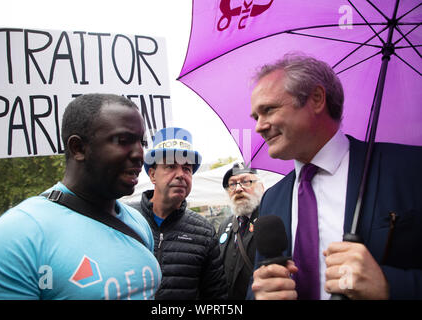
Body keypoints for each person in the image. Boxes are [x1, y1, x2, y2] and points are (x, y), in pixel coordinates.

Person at [248, 53, 422, 300]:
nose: (259, 126)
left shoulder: (410, 169)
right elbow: (258, 283)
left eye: (268, 110)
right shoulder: (271, 200)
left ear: (317, 99)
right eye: (256, 117)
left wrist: (388, 285)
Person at [0, 93, 161, 300]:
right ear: (78, 148)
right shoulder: (13, 239)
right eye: (123, 141)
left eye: (141, 143)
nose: (139, 154)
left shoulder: (138, 223)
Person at [129, 127, 227, 300]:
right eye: (171, 166)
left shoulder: (204, 232)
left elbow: (216, 297)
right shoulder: (126, 220)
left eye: (187, 169)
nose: (181, 175)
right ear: (152, 175)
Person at [217, 162, 264, 299]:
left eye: (246, 182)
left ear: (261, 187)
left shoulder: (270, 218)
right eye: (232, 184)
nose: (238, 189)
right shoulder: (224, 225)